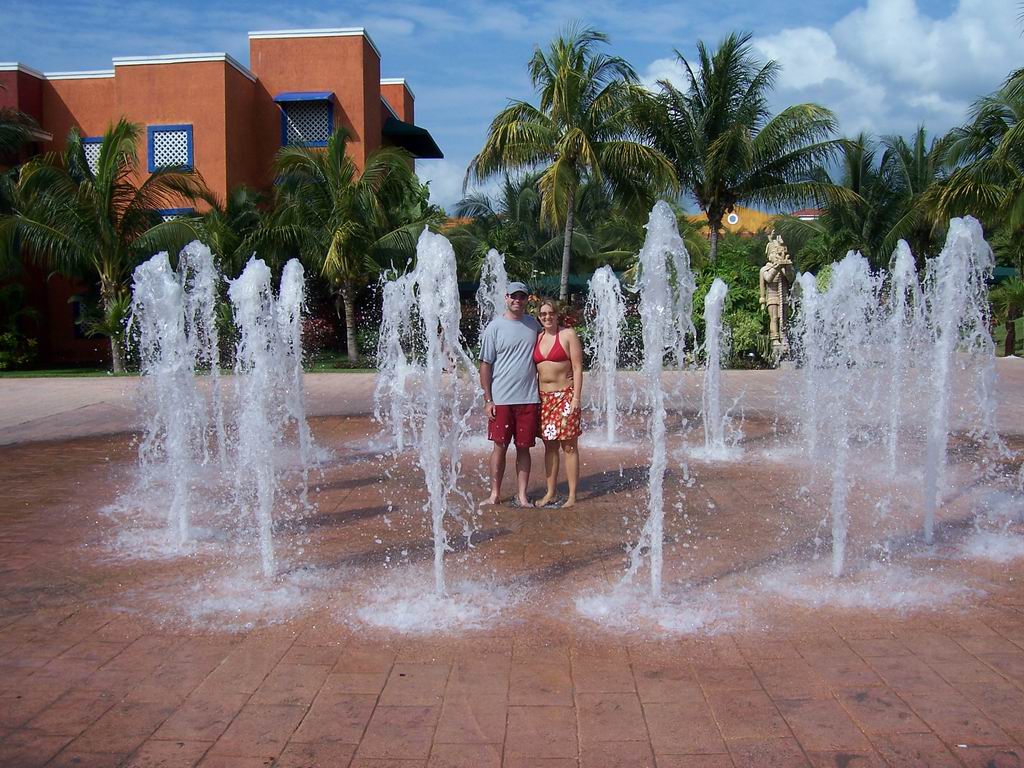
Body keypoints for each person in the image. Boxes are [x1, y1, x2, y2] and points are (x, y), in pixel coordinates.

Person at [479, 282, 542, 507]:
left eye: (522, 296)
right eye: (514, 296)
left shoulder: (534, 325)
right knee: (500, 446)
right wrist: (488, 399)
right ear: (506, 297)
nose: (518, 300)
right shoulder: (494, 327)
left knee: (524, 448)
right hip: (502, 399)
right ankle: (495, 494)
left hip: (528, 398)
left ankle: (522, 495)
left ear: (527, 300)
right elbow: (485, 364)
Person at [533, 298, 583, 509]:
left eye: (551, 313)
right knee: (550, 447)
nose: (547, 317)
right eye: (543, 314)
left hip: (565, 396)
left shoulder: (568, 334)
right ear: (539, 317)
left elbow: (578, 368)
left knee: (569, 446)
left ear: (557, 314)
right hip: (544, 399)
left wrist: (576, 398)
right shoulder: (537, 337)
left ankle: (572, 495)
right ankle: (551, 492)